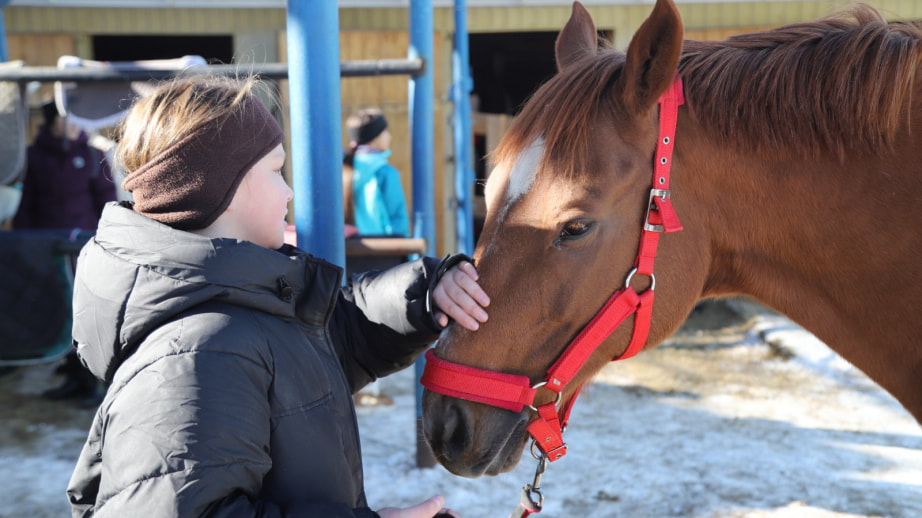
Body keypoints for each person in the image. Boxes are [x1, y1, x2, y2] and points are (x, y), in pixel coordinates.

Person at [65, 74, 489, 518]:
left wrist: (426, 294)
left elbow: (333, 330)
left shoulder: (244, 302)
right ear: (221, 187)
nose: (289, 190)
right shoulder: (198, 351)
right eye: (275, 170)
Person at [13, 100, 117, 402]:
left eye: (75, 119)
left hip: (86, 246)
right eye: (64, 120)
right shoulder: (32, 157)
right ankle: (75, 373)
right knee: (61, 309)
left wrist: (109, 242)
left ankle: (92, 379)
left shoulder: (92, 155)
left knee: (90, 312)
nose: (72, 125)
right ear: (50, 123)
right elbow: (27, 206)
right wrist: (25, 248)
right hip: (49, 250)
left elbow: (107, 202)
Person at [344, 108, 410, 237]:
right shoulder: (384, 172)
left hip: (345, 250)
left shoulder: (341, 169)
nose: (389, 136)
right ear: (376, 137)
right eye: (386, 132)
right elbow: (397, 219)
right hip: (380, 250)